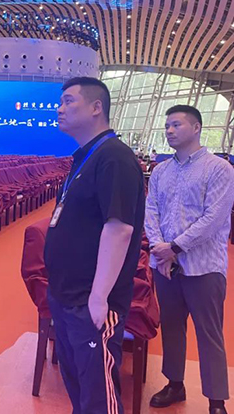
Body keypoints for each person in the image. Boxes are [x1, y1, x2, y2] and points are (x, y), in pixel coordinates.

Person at [44, 76, 145, 414]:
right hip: (67, 295)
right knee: (79, 391)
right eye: (60, 102)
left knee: (99, 397)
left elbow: (119, 229)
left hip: (91, 300)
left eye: (68, 101)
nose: (59, 109)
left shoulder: (114, 157)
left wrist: (99, 297)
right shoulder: (85, 157)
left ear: (96, 107)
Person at [145, 105, 234, 414]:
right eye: (167, 125)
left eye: (176, 125)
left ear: (196, 128)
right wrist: (158, 247)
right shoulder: (160, 171)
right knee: (171, 327)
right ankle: (174, 384)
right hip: (165, 266)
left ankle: (216, 400)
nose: (169, 130)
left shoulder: (219, 169)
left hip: (204, 266)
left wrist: (175, 247)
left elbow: (214, 218)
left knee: (209, 332)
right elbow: (151, 211)